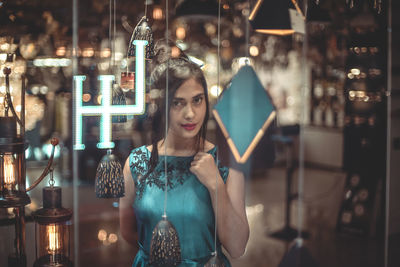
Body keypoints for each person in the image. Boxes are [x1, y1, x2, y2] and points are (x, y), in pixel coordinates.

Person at [119, 40, 249, 267]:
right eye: (178, 103)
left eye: (197, 100)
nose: (191, 113)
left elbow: (237, 247)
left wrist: (215, 185)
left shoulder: (227, 163)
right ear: (161, 107)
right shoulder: (137, 162)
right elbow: (129, 233)